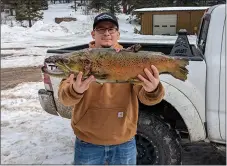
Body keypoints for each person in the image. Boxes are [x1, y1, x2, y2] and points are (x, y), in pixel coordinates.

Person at [58, 12, 165, 165]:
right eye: (101, 29)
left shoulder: (130, 59)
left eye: (111, 29)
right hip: (88, 142)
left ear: (118, 34)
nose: (106, 33)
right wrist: (76, 91)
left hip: (124, 142)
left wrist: (153, 89)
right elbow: (64, 98)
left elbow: (146, 98)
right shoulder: (79, 60)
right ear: (93, 34)